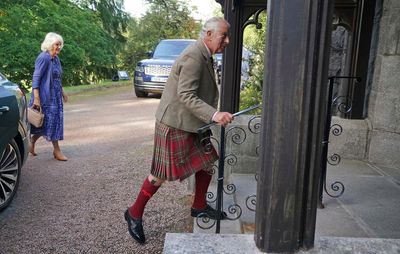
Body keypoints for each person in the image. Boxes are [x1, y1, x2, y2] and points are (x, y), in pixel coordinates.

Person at [124, 17, 233, 244]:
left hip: (192, 122)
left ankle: (199, 206)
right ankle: (133, 213)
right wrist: (214, 115)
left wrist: (209, 115)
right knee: (159, 175)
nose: (227, 41)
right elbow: (185, 95)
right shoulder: (194, 56)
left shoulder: (204, 53)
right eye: (223, 36)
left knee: (207, 160)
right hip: (175, 123)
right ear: (209, 35)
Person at [29, 32, 69, 161]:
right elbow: (36, 79)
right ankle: (57, 151)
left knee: (48, 124)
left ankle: (32, 142)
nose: (58, 47)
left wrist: (62, 93)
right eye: (56, 44)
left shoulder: (56, 59)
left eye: (60, 44)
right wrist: (36, 98)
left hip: (55, 96)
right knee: (50, 123)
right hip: (45, 97)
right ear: (50, 44)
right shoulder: (43, 58)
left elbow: (57, 78)